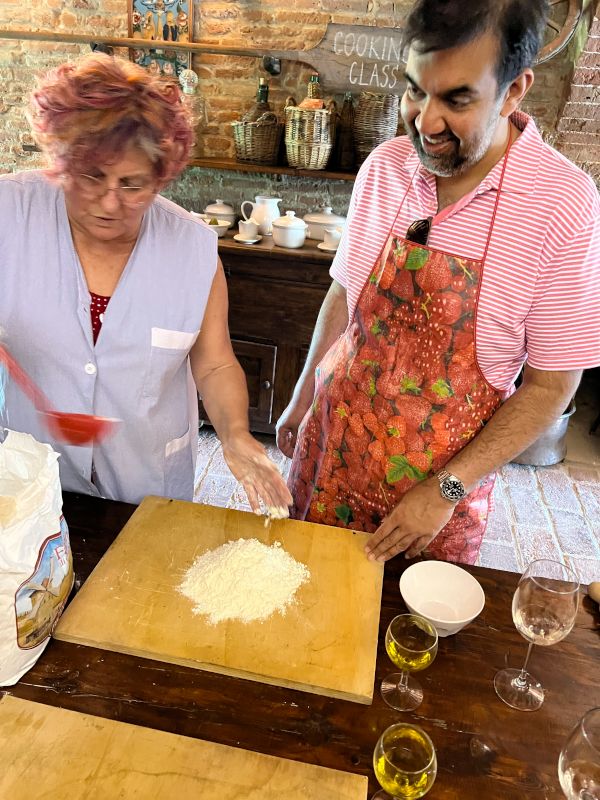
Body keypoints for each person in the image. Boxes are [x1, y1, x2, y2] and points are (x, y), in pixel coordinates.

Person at [277, 0, 600, 564]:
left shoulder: (563, 206)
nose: (425, 122)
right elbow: (345, 293)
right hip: (332, 452)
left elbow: (551, 387)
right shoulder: (384, 168)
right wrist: (304, 394)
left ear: (515, 90)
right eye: (414, 90)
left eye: (456, 99)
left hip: (436, 499)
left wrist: (446, 490)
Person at [0, 53, 292, 515]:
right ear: (60, 159)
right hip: (29, 479)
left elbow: (214, 365)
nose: (109, 202)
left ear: (161, 177)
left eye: (132, 185)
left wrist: (236, 435)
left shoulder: (192, 249)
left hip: (147, 485)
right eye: (90, 176)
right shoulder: (9, 214)